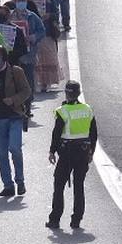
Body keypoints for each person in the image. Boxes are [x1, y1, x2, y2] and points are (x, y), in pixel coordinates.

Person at [46, 80, 97, 230]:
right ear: (79, 93)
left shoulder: (63, 111)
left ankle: (55, 219)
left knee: (59, 185)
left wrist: (52, 151)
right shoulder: (88, 110)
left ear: (66, 93)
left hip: (67, 152)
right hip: (83, 152)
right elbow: (94, 134)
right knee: (79, 186)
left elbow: (56, 133)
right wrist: (91, 153)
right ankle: (76, 220)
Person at [0, 46, 30, 197]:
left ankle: (20, 181)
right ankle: (8, 185)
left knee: (15, 148)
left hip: (14, 116)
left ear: (3, 57)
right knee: (2, 154)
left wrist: (14, 100)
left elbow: (26, 91)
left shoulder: (16, 71)